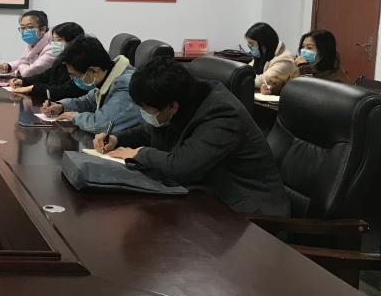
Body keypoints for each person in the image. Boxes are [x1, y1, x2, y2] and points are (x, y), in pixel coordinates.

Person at [94, 57, 289, 216]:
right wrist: (117, 139)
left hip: (249, 214)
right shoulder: (184, 99)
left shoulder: (221, 114)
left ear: (172, 106)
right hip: (208, 198)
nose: (144, 114)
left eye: (147, 110)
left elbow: (182, 166)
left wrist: (139, 153)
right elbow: (149, 129)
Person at [40, 35, 141, 134]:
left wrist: (75, 117)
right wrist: (62, 106)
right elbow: (88, 101)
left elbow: (101, 125)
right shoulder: (107, 76)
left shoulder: (125, 86)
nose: (72, 79)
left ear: (94, 71)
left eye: (76, 75)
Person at [8, 22, 85, 103]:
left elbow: (65, 90)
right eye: (53, 40)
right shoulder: (61, 60)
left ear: (73, 42)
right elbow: (45, 76)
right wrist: (23, 81)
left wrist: (33, 88)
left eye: (59, 40)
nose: (54, 44)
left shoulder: (80, 64)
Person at [263, 29, 349, 95]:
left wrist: (304, 67)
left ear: (324, 52)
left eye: (309, 48)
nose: (303, 51)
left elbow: (310, 95)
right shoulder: (302, 69)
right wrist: (272, 87)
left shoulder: (336, 79)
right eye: (303, 47)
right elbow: (286, 83)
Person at [0, 9, 56, 78]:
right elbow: (24, 60)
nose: (25, 31)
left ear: (42, 29)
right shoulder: (33, 43)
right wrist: (8, 66)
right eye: (22, 28)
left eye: (30, 27)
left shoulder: (53, 48)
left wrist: (20, 67)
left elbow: (28, 73)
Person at [244, 21, 295, 91]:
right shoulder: (263, 53)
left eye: (251, 44)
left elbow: (263, 81)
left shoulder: (285, 59)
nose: (250, 47)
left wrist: (241, 78)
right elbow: (247, 71)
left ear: (263, 43)